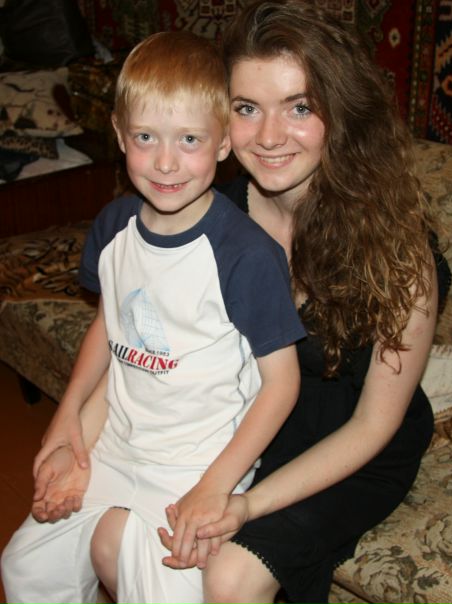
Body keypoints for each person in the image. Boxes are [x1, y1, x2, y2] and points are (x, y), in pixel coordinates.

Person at [15, 2, 451, 603]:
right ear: (222, 123)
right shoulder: (208, 215)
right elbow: (140, 333)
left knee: (225, 576)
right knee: (113, 540)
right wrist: (75, 427)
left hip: (347, 437)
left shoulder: (399, 250)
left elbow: (374, 423)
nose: (269, 136)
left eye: (299, 107)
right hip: (241, 423)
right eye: (247, 108)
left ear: (341, 110)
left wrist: (243, 503)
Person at [0, 29, 305, 604]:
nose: (166, 162)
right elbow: (109, 326)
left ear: (223, 142)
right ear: (119, 134)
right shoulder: (113, 226)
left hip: (198, 464)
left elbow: (282, 385)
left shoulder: (245, 255)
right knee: (25, 568)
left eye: (189, 139)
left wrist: (216, 486)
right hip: (117, 443)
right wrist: (69, 423)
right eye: (146, 137)